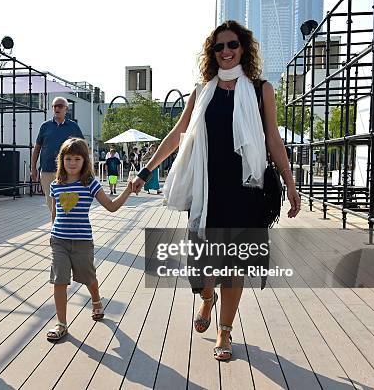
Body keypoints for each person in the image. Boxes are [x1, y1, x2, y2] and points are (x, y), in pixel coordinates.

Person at [131, 20, 301, 361]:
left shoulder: (260, 89)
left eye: (232, 45)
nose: (225, 51)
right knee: (202, 269)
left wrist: (290, 182)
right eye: (219, 47)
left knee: (235, 267)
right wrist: (145, 170)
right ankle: (207, 299)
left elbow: (272, 139)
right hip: (206, 192)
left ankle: (225, 331)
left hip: (245, 190)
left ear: (244, 48)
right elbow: (179, 135)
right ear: (212, 53)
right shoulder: (201, 91)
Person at [46, 138, 132, 341]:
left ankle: (96, 300)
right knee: (59, 281)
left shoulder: (89, 184)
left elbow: (111, 206)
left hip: (82, 241)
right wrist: (52, 233)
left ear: (85, 161)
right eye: (68, 158)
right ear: (62, 160)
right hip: (59, 240)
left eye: (77, 158)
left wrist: (127, 190)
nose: (72, 163)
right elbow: (55, 213)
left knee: (88, 277)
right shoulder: (56, 185)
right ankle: (61, 324)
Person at [31, 97, 84, 214]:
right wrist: (33, 168)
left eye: (60, 106)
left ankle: (66, 228)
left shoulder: (73, 127)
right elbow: (37, 148)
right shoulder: (45, 126)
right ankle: (56, 229)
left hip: (68, 172)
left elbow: (83, 149)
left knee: (66, 205)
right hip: (47, 171)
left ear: (66, 109)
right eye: (55, 106)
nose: (57, 108)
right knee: (51, 205)